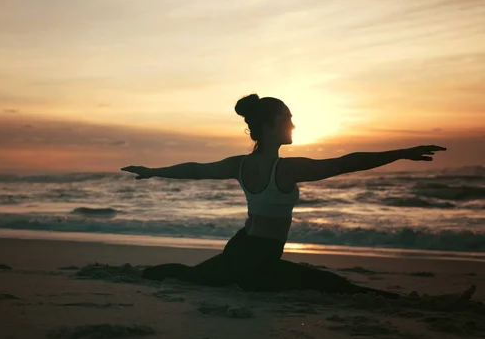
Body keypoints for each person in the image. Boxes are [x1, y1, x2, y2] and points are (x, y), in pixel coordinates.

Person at [121, 94, 447, 299]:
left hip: (241, 249)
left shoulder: (240, 164)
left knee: (195, 275)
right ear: (269, 125)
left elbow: (196, 168)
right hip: (258, 258)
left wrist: (154, 171)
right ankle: (414, 303)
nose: (293, 123)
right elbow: (348, 162)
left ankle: (133, 274)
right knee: (331, 286)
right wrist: (401, 152)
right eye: (287, 118)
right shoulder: (287, 169)